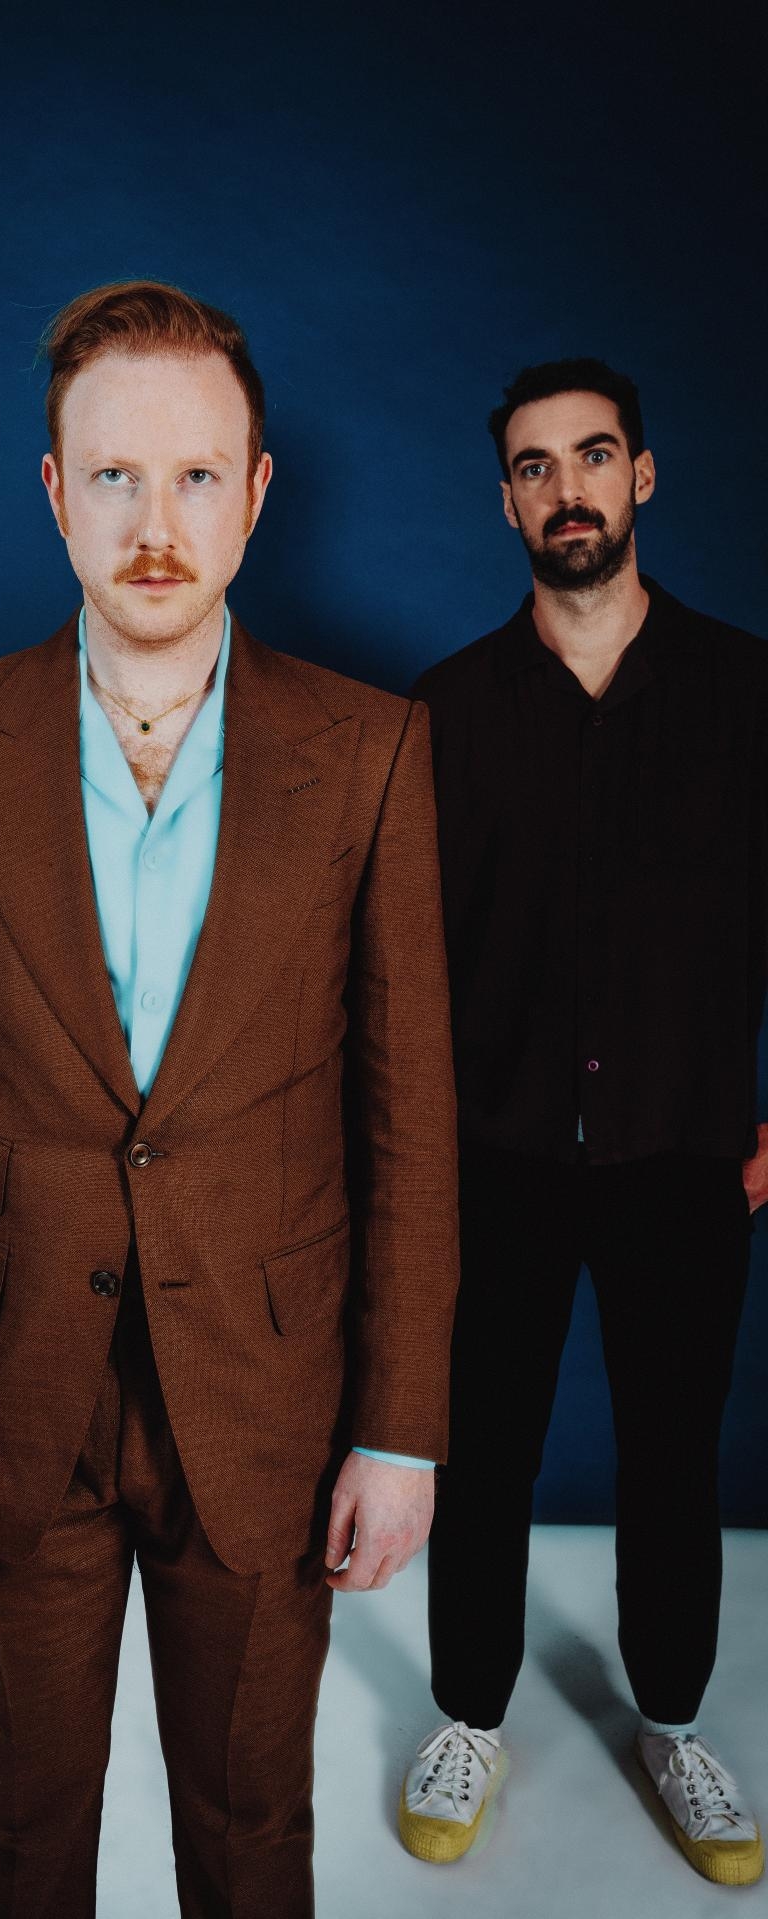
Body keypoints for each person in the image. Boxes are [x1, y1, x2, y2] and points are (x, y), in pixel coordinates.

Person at [0, 280, 460, 1918]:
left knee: (252, 1834)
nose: (155, 524)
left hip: (267, 1397)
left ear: (257, 493)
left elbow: (409, 1127)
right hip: (7, 1392)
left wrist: (400, 1430)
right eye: (114, 476)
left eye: (195, 477)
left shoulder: (375, 753)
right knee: (17, 1826)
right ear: (55, 491)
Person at [401, 360, 766, 1887]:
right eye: (536, 466)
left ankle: (672, 1721)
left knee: (674, 1458)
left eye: (593, 457)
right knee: (482, 1454)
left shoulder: (747, 693)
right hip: (495, 1161)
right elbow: (402, 963)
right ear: (506, 501)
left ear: (643, 476)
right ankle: (468, 1718)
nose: (568, 490)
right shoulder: (443, 711)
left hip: (685, 1152)